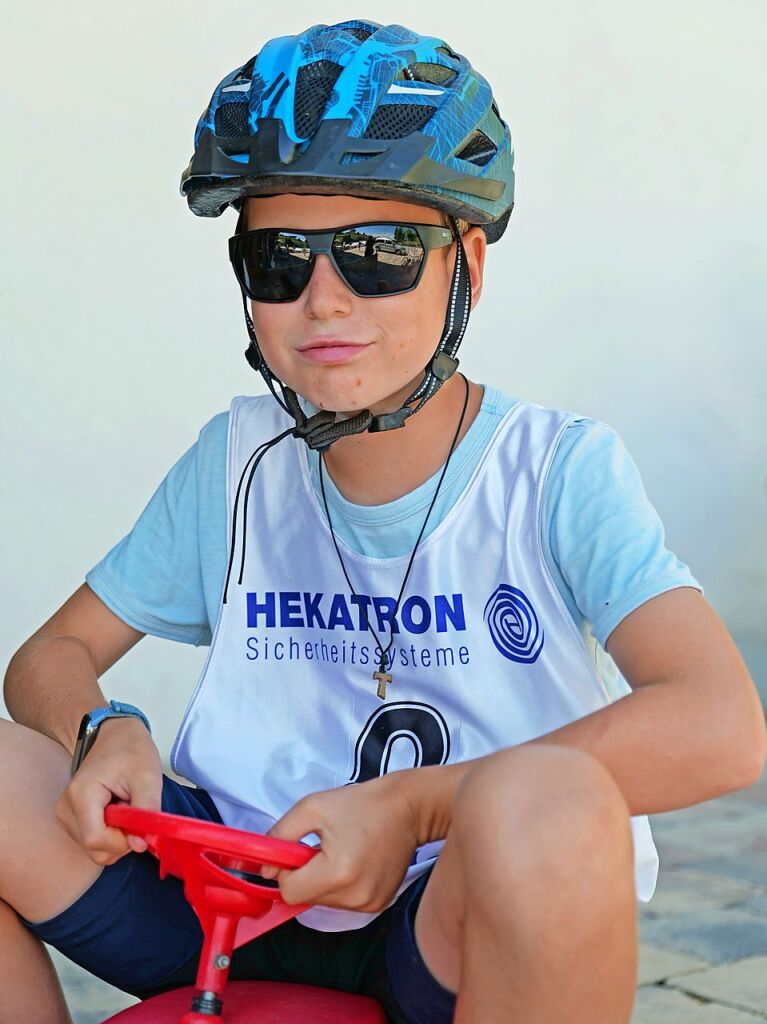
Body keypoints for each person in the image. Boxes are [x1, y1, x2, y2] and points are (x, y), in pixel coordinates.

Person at [2, 18, 765, 1024]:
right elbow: (49, 655)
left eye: (378, 252)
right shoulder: (234, 465)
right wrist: (107, 726)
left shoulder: (553, 470)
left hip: (446, 916)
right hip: (241, 891)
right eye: (278, 262)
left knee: (548, 803)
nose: (323, 300)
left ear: (468, 270)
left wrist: (415, 807)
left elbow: (720, 723)